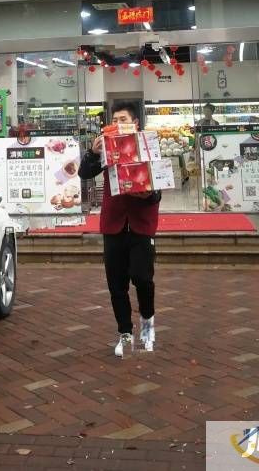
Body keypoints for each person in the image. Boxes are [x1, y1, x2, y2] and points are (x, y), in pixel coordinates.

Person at [78, 101, 160, 357]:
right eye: (114, 120)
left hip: (141, 224)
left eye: (122, 119)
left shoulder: (147, 146)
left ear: (135, 123)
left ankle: (147, 328)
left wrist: (146, 194)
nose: (117, 124)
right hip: (113, 224)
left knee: (143, 278)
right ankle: (125, 333)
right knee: (116, 284)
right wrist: (93, 153)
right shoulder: (106, 148)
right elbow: (84, 173)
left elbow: (157, 189)